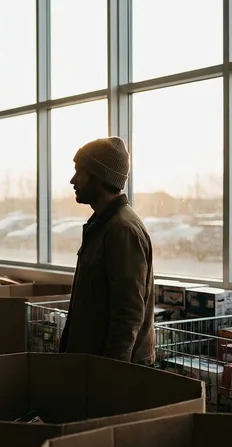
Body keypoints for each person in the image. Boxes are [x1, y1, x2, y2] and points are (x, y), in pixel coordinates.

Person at [58, 136, 156, 365]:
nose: (73, 180)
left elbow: (128, 314)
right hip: (93, 363)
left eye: (79, 172)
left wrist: (112, 373)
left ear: (99, 176)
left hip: (113, 370)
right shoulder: (102, 224)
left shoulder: (122, 229)